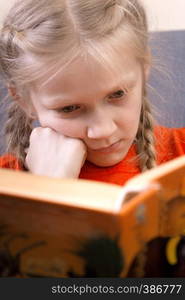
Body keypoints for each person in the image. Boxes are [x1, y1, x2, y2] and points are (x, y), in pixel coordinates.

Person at [0, 0, 185, 186]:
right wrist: (49, 186)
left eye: (118, 94)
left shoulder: (180, 153)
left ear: (144, 68)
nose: (103, 130)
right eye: (69, 108)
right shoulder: (6, 183)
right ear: (24, 100)